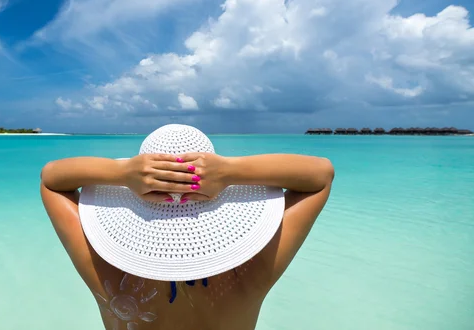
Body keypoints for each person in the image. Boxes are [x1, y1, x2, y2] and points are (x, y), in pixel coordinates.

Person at [41, 125, 334, 330]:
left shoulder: (106, 276)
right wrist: (230, 171)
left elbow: (51, 181)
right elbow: (319, 176)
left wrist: (122, 172)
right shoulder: (248, 277)